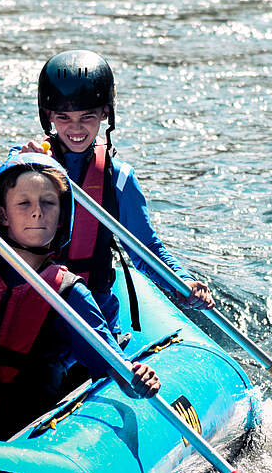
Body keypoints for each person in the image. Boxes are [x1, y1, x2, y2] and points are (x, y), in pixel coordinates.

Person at [0, 153, 160, 439]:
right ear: (2, 215)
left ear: (61, 218)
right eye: (24, 203)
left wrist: (135, 377)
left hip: (17, 434)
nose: (37, 212)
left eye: (48, 203)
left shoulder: (70, 294)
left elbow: (113, 367)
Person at [19, 49, 214, 340]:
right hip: (33, 303)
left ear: (105, 113)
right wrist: (19, 169)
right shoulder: (25, 163)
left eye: (87, 116)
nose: (75, 128)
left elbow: (146, 249)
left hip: (92, 312)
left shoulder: (119, 179)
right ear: (49, 116)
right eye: (64, 117)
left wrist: (182, 282)